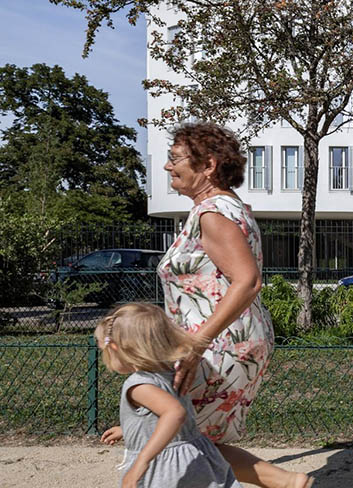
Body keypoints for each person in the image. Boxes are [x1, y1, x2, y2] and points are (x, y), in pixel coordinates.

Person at [161, 122, 312, 488]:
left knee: (175, 434)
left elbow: (247, 281)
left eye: (175, 158)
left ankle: (285, 482)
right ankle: (288, 482)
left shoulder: (213, 214)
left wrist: (197, 345)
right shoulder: (225, 208)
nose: (168, 167)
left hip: (217, 346)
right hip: (229, 341)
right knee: (193, 437)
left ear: (208, 165)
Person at [95, 303, 242, 488]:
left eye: (104, 351)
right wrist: (129, 429)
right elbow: (162, 419)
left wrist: (141, 462)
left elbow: (174, 413)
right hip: (199, 456)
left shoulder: (138, 385)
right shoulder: (174, 373)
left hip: (165, 468)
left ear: (116, 348)